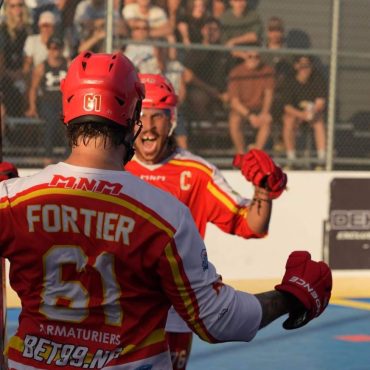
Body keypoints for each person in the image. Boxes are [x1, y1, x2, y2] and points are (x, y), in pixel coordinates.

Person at [0, 52, 332, 370]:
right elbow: (218, 319)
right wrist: (290, 298)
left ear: (64, 118)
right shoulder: (165, 217)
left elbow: (248, 224)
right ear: (132, 122)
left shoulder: (11, 198)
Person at [125, 73, 330, 370]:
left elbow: (250, 224)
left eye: (159, 115)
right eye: (142, 115)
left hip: (178, 313)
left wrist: (262, 189)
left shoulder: (197, 173)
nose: (150, 125)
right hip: (124, 307)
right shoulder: (116, 164)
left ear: (173, 120)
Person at [25, 35, 69, 164]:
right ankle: (48, 156)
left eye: (58, 48)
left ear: (62, 49)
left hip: (64, 102)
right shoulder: (41, 67)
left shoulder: (68, 64)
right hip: (47, 102)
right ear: (48, 49)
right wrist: (32, 107)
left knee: (69, 123)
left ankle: (67, 155)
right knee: (50, 120)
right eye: (52, 48)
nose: (55, 51)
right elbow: (33, 88)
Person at [281, 55, 327, 169]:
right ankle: (291, 159)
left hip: (312, 114)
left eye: (308, 66)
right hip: (295, 114)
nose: (305, 69)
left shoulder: (318, 78)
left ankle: (322, 160)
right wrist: (301, 115)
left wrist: (311, 113)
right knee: (288, 121)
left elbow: (320, 102)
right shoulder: (289, 80)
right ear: (296, 66)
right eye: (302, 66)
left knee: (319, 123)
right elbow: (287, 107)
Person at [227, 49, 275, 154]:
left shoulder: (267, 70)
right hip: (243, 110)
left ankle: (256, 155)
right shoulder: (236, 72)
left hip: (259, 108)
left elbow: (269, 95)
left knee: (267, 120)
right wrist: (250, 116)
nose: (253, 59)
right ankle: (241, 154)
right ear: (245, 58)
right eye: (250, 57)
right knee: (234, 120)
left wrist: (264, 112)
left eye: (256, 57)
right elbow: (234, 102)